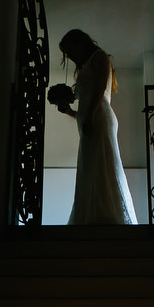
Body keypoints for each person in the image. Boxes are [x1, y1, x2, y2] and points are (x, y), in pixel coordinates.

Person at [54, 29, 138, 225]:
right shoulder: (87, 65)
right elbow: (85, 104)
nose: (69, 56)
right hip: (91, 117)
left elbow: (100, 87)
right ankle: (93, 214)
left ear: (79, 43)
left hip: (99, 116)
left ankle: (107, 215)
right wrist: (70, 112)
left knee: (102, 164)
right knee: (91, 167)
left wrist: (90, 115)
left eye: (69, 50)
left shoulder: (99, 57)